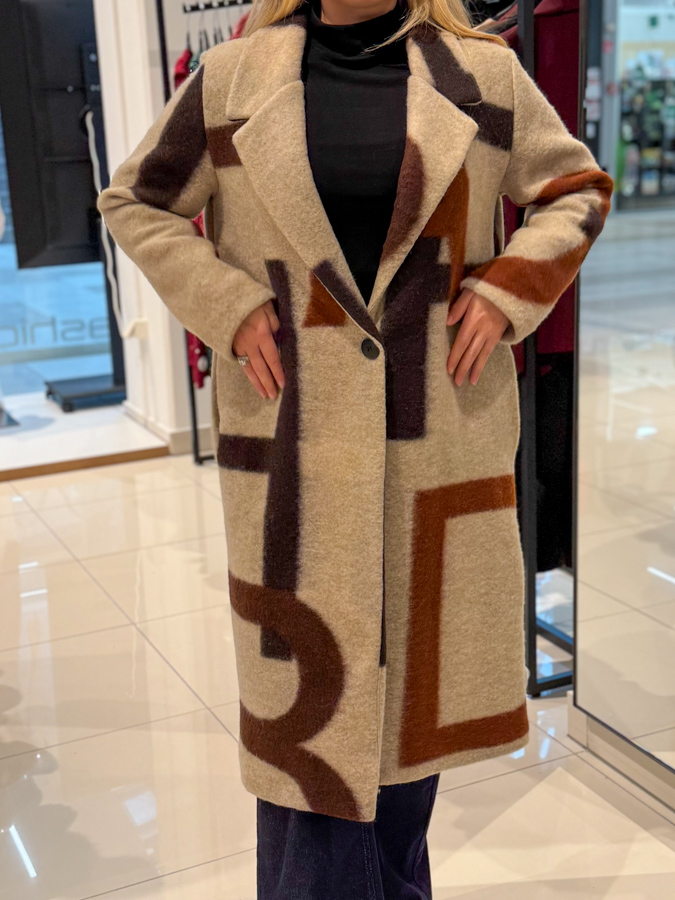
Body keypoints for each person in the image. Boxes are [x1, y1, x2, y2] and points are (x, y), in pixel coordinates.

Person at [96, 0, 613, 896]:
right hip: (294, 451)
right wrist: (224, 302)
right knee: (313, 751)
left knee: (397, 763)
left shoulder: (480, 75)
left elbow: (576, 190)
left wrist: (505, 290)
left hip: (436, 456)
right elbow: (134, 199)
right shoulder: (232, 79)